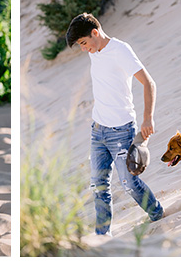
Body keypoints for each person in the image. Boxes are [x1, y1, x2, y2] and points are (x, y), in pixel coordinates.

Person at [65, 13, 163, 235]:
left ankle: (157, 214)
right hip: (97, 131)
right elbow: (85, 19)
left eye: (83, 43)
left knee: (130, 184)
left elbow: (149, 83)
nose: (83, 49)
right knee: (99, 187)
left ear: (95, 33)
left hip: (121, 131)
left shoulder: (120, 51)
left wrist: (148, 118)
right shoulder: (94, 51)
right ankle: (102, 236)